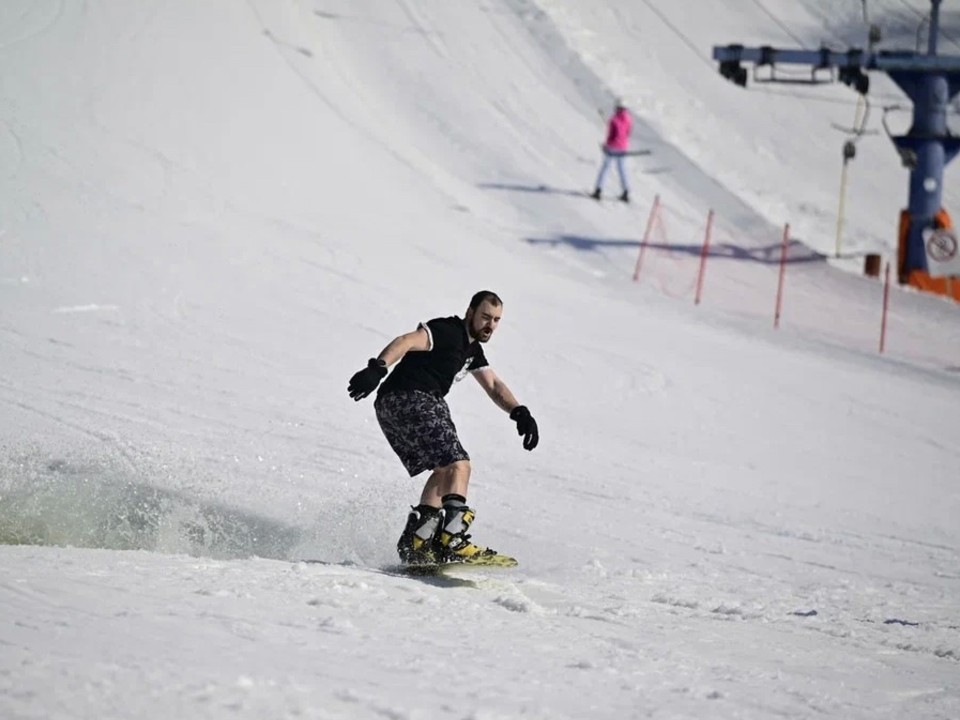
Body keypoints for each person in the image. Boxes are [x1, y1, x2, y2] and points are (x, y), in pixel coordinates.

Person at [347, 290, 539, 565]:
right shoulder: (447, 330)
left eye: (496, 320)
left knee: (445, 470)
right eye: (485, 317)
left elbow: (494, 385)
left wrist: (519, 412)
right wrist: (378, 368)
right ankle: (453, 538)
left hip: (400, 405)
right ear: (471, 312)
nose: (490, 325)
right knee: (459, 464)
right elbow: (406, 341)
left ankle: (419, 542)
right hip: (410, 397)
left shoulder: (472, 350)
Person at [591, 100, 633, 203]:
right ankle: (626, 191)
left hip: (612, 148)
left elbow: (610, 136)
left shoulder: (613, 119)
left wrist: (606, 146)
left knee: (605, 168)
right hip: (623, 148)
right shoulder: (629, 120)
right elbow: (627, 133)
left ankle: (598, 190)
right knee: (622, 169)